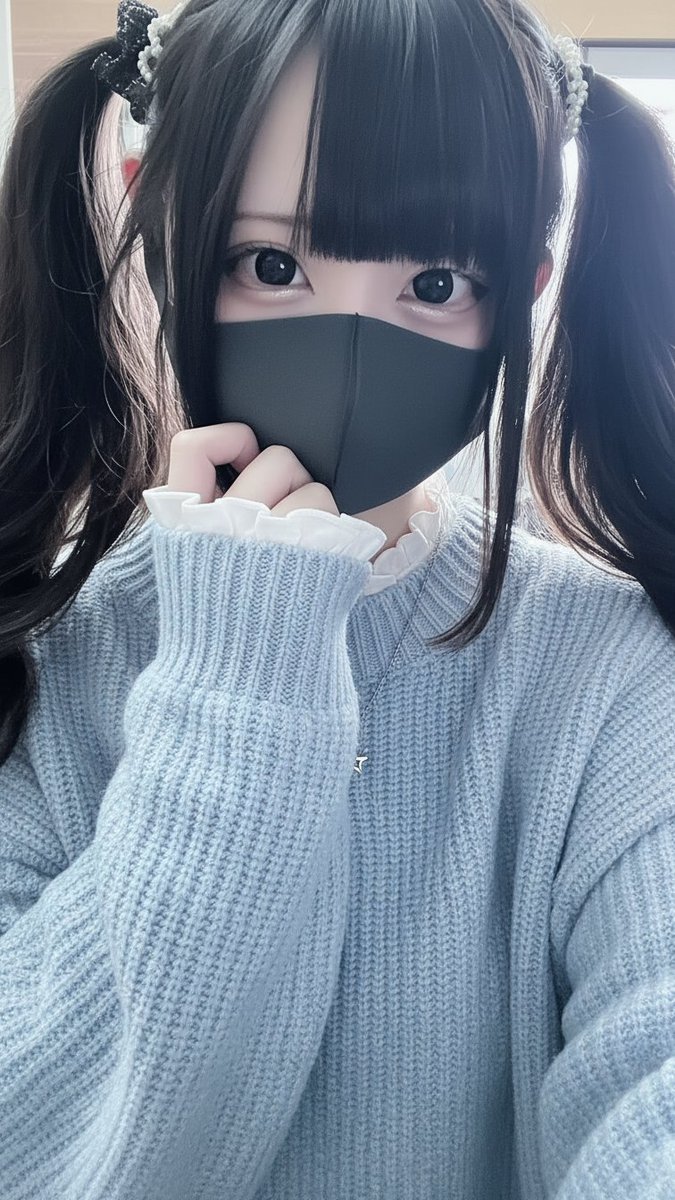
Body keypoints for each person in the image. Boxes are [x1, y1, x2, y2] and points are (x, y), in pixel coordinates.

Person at [0, 0, 674, 1196]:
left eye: (436, 279)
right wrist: (239, 674)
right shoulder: (41, 657)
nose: (353, 345)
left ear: (524, 288)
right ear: (162, 229)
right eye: (273, 266)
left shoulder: (613, 670)